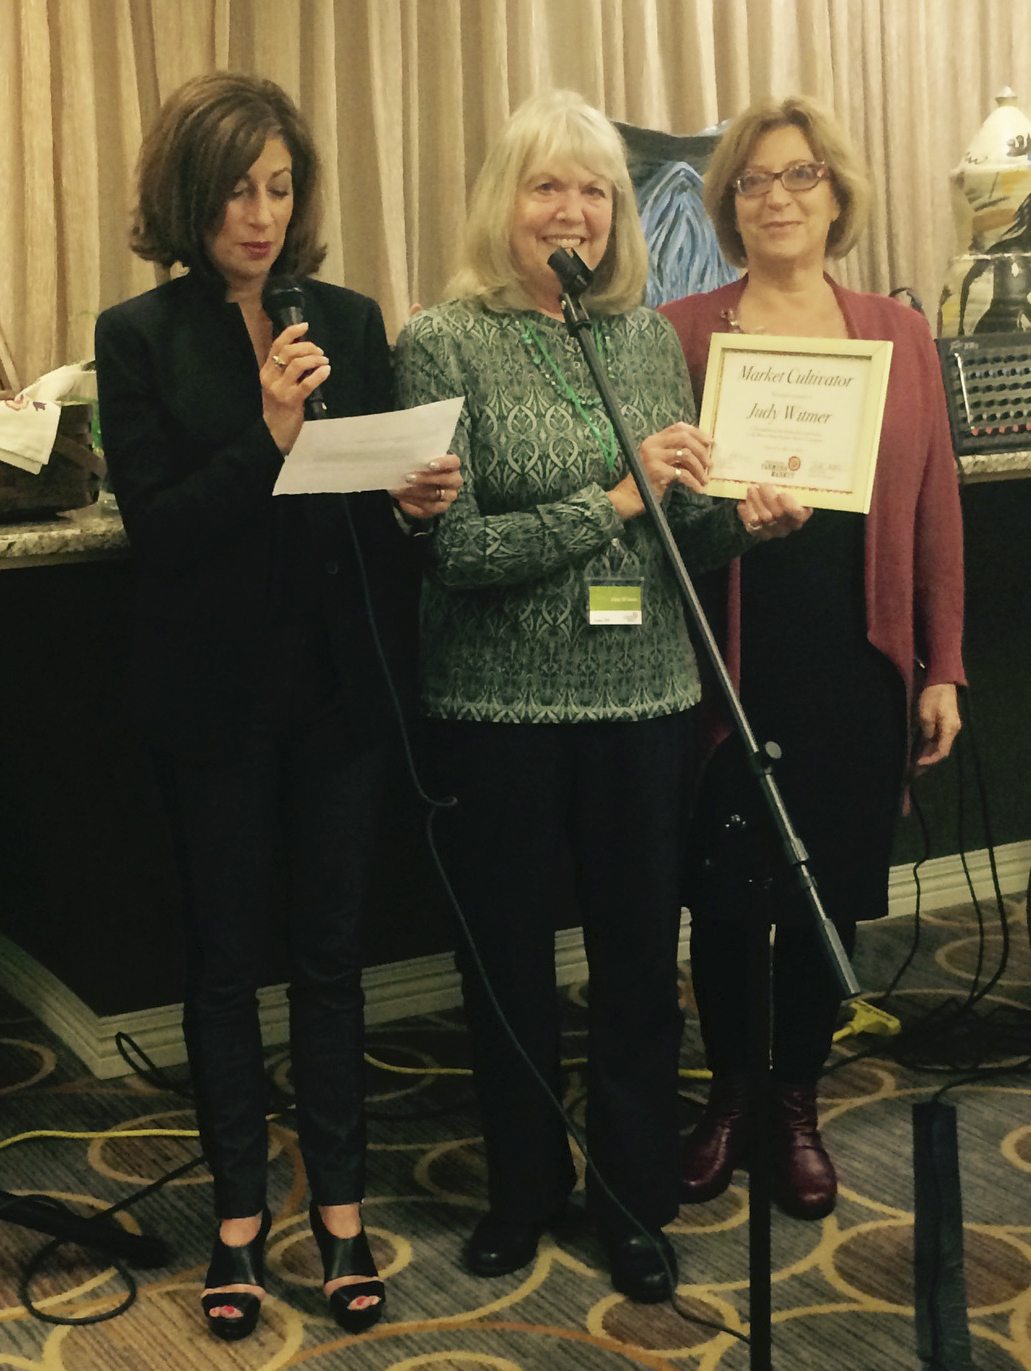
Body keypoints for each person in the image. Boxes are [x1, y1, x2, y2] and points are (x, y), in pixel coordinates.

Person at [394, 89, 808, 1303]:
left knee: (637, 962)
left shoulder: (638, 337)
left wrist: (743, 522)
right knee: (508, 966)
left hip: (641, 697)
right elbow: (455, 553)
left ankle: (631, 1197)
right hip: (496, 708)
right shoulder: (440, 340)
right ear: (502, 204)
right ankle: (521, 1191)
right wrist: (616, 502)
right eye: (546, 187)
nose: (571, 210)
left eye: (594, 191)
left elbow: (679, 535)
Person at [94, 72, 461, 1341]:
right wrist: (266, 432)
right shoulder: (138, 337)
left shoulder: (348, 321)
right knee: (224, 962)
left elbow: (365, 515)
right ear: (189, 198)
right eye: (238, 189)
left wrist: (413, 508)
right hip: (213, 705)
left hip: (338, 695)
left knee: (331, 958)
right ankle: (241, 1218)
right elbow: (162, 529)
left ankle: (342, 1209)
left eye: (281, 187)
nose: (261, 215)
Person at [661, 95, 965, 1221]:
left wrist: (940, 664)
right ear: (727, 203)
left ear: (835, 194)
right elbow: (660, 496)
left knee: (823, 893)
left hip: (853, 655)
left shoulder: (896, 334)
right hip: (728, 663)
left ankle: (794, 1103)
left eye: (798, 177)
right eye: (752, 182)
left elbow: (934, 509)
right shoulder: (683, 331)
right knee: (729, 895)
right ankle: (729, 1094)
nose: (777, 198)